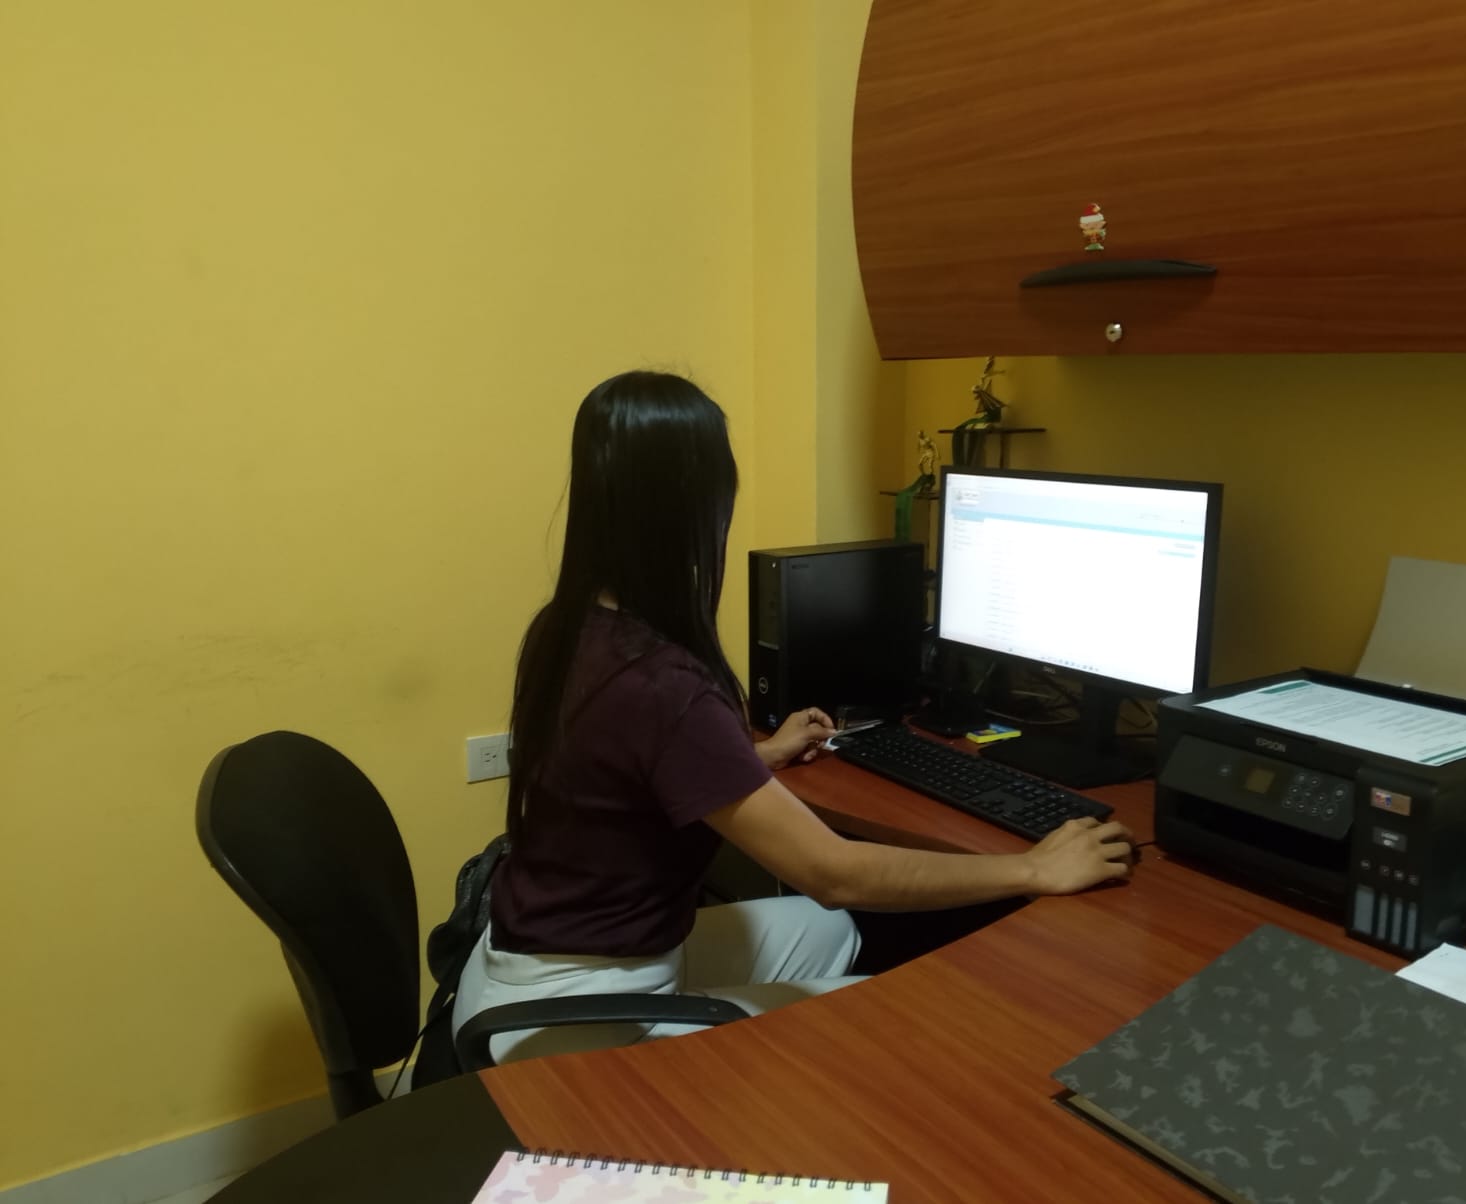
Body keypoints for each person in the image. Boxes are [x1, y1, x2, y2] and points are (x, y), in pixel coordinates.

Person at [451, 370, 1135, 1063]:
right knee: (906, 1024)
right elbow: (835, 873)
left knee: (838, 933)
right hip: (571, 1018)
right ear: (696, 506)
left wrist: (752, 759)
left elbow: (620, 775)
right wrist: (1032, 869)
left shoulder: (569, 627)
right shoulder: (659, 684)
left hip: (534, 962)